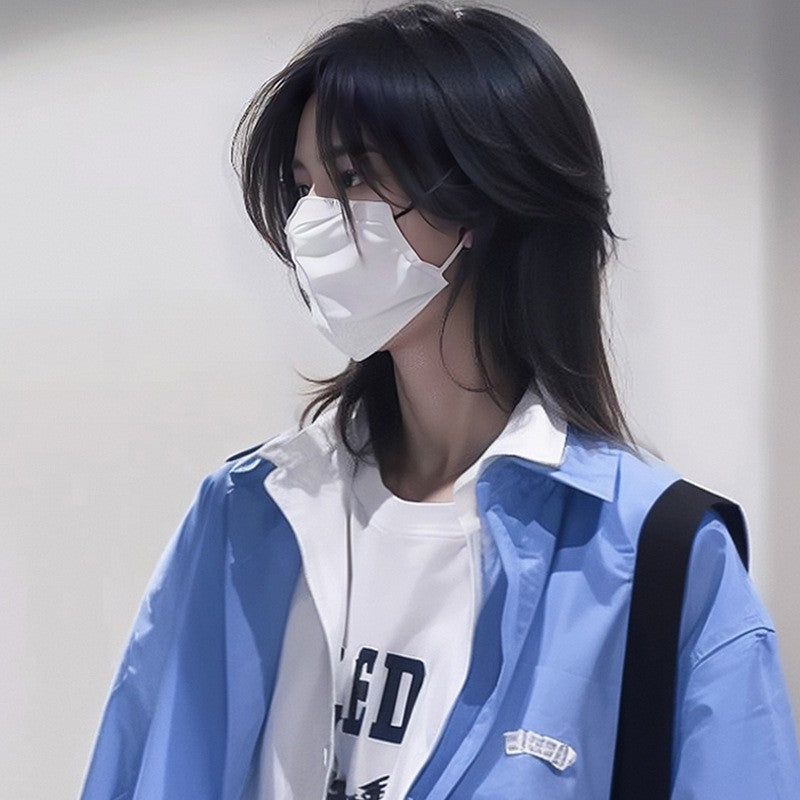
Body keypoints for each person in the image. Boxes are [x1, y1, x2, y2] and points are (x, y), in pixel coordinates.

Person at [79, 2, 800, 798]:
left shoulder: (657, 556)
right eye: (304, 185)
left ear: (487, 200)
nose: (316, 220)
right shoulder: (247, 515)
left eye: (353, 177)